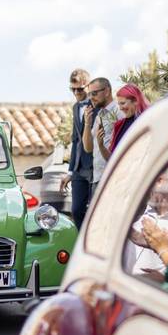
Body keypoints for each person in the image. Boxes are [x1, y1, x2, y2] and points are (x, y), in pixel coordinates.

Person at [63, 68, 94, 226]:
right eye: (72, 89)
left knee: (95, 210)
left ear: (88, 86)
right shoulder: (75, 107)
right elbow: (75, 141)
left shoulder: (97, 105)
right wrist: (70, 171)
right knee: (76, 210)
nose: (76, 92)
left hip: (95, 166)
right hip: (78, 169)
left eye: (79, 89)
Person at [82, 77, 120, 195]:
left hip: (113, 178)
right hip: (98, 178)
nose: (91, 97)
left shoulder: (120, 111)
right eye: (89, 94)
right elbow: (88, 148)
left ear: (107, 91)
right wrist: (87, 123)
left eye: (94, 93)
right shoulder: (99, 115)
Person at [110, 83, 150, 154]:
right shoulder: (118, 126)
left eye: (122, 103)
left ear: (135, 101)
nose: (120, 108)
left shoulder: (149, 120)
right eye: (119, 104)